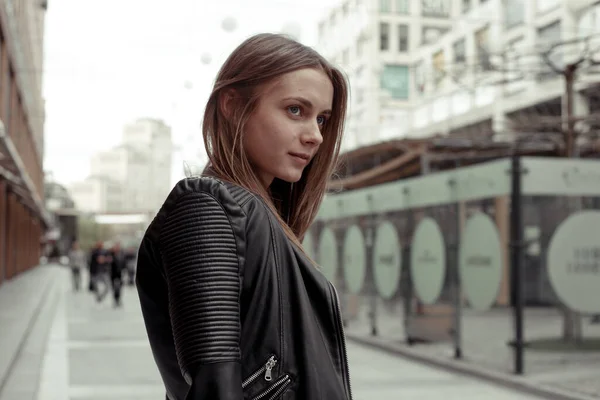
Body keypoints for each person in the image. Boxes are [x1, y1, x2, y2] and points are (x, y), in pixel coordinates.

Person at [136, 33, 351, 400]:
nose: (315, 135)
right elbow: (214, 389)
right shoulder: (207, 207)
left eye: (323, 119)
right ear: (233, 106)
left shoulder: (258, 218)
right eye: (296, 110)